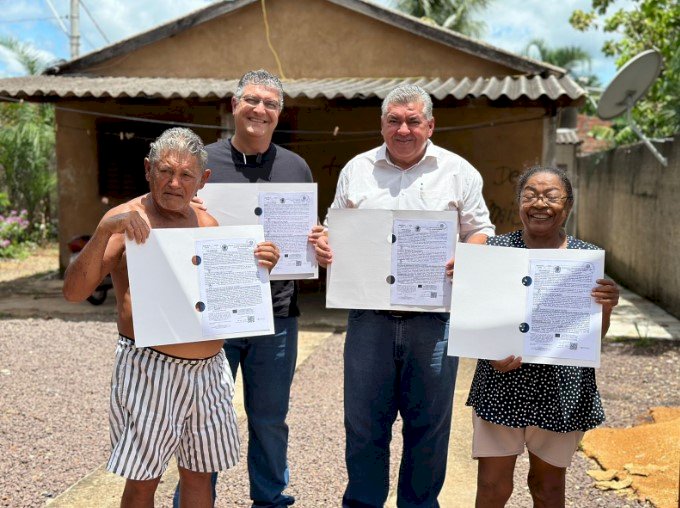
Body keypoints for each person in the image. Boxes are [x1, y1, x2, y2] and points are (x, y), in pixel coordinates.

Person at [62, 127, 280, 508]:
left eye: (186, 175)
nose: (174, 183)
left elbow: (221, 292)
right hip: (149, 368)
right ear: (148, 170)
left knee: (200, 475)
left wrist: (261, 264)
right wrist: (101, 231)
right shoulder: (123, 221)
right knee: (144, 479)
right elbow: (74, 293)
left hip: (210, 371)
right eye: (165, 171)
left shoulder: (207, 223)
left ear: (203, 180)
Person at [315, 84, 495, 507]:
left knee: (428, 429)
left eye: (413, 120)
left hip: (433, 321)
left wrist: (472, 255)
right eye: (394, 120)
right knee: (363, 427)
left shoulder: (459, 172)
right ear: (382, 125)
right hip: (368, 319)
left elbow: (480, 230)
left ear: (430, 125)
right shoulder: (356, 170)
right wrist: (324, 244)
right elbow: (331, 227)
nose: (403, 129)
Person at [175, 69, 318, 508]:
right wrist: (187, 212)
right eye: (252, 101)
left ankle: (271, 499)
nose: (260, 110)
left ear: (279, 113)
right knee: (204, 418)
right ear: (234, 105)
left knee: (270, 419)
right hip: (215, 314)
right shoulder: (202, 164)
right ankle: (196, 500)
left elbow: (308, 234)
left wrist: (318, 241)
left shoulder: (296, 167)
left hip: (276, 316)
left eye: (271, 104)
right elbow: (171, 223)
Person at [466, 165, 620, 508]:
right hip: (501, 382)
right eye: (530, 194)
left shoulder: (585, 259)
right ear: (519, 202)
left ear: (567, 206)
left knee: (548, 488)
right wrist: (491, 350)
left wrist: (606, 307)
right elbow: (478, 313)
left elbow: (594, 334)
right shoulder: (495, 250)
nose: (539, 203)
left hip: (561, 387)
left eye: (551, 196)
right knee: (492, 488)